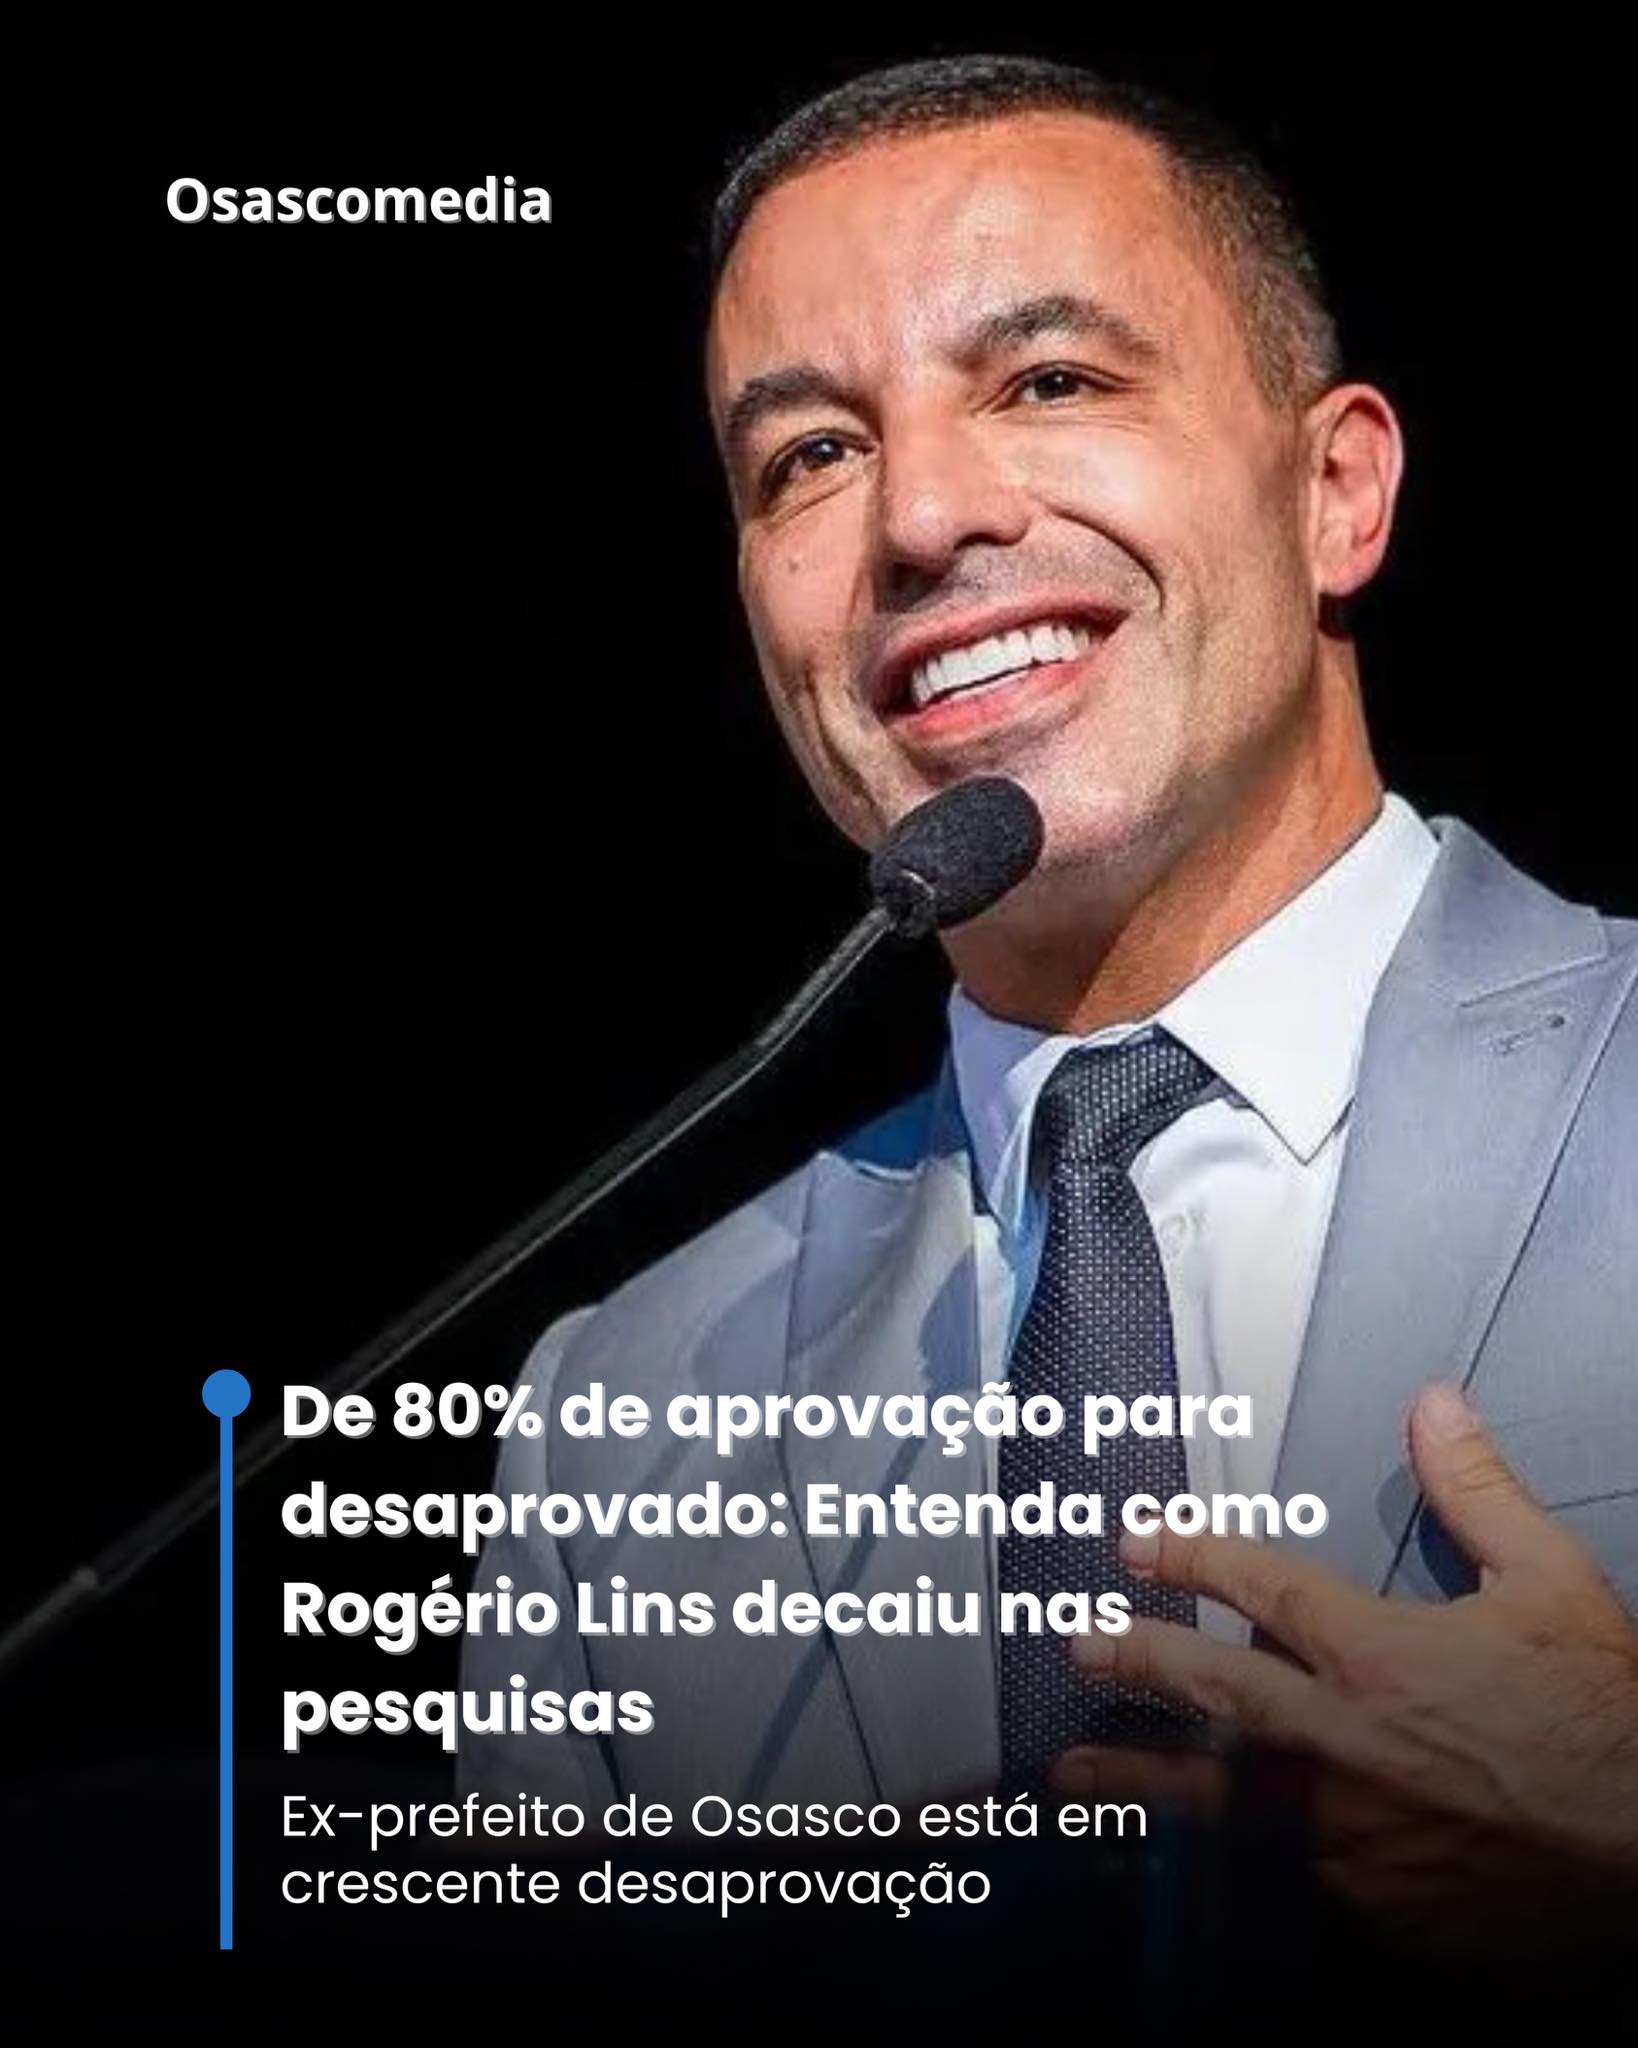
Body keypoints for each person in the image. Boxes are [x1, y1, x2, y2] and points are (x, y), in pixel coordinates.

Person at [460, 56, 1637, 1942]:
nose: (921, 516)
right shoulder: (614, 1411)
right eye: (809, 456)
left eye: (1049, 381)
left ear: (1334, 490)